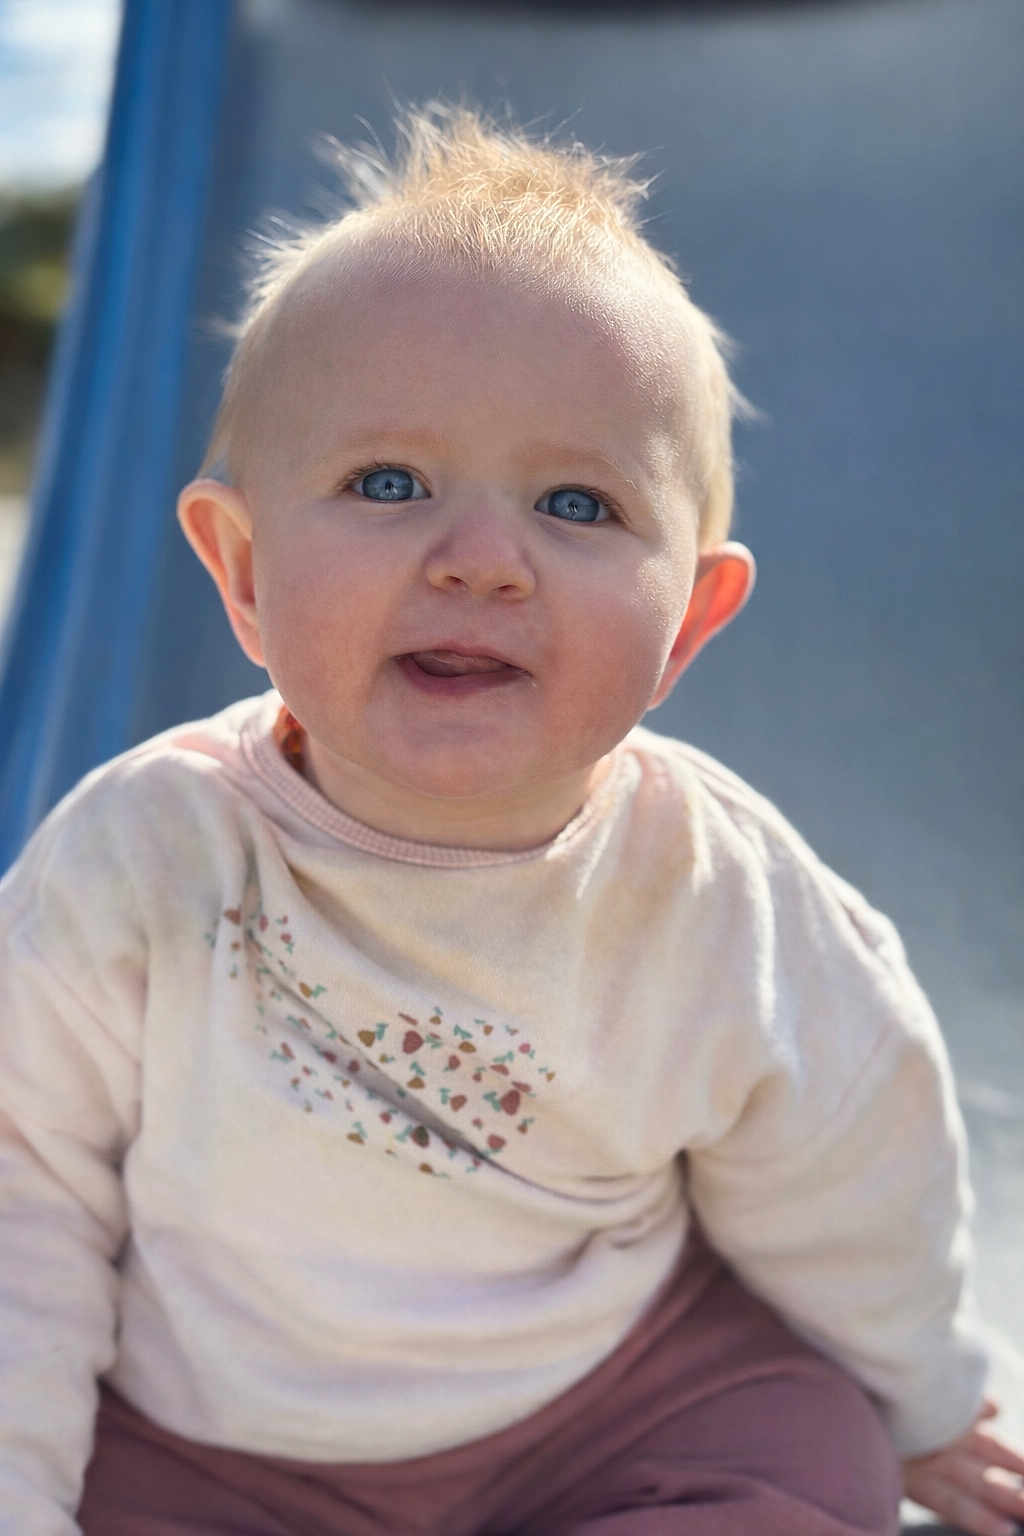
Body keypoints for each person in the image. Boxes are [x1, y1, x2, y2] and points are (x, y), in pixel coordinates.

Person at [1, 104, 1021, 1536]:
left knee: (816, 1454)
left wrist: (925, 1397)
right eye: (389, 483)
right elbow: (23, 1204)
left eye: (576, 503)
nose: (481, 560)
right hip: (214, 1445)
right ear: (239, 568)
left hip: (608, 1402)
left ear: (687, 625)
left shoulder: (713, 890)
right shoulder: (140, 860)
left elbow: (848, 1166)